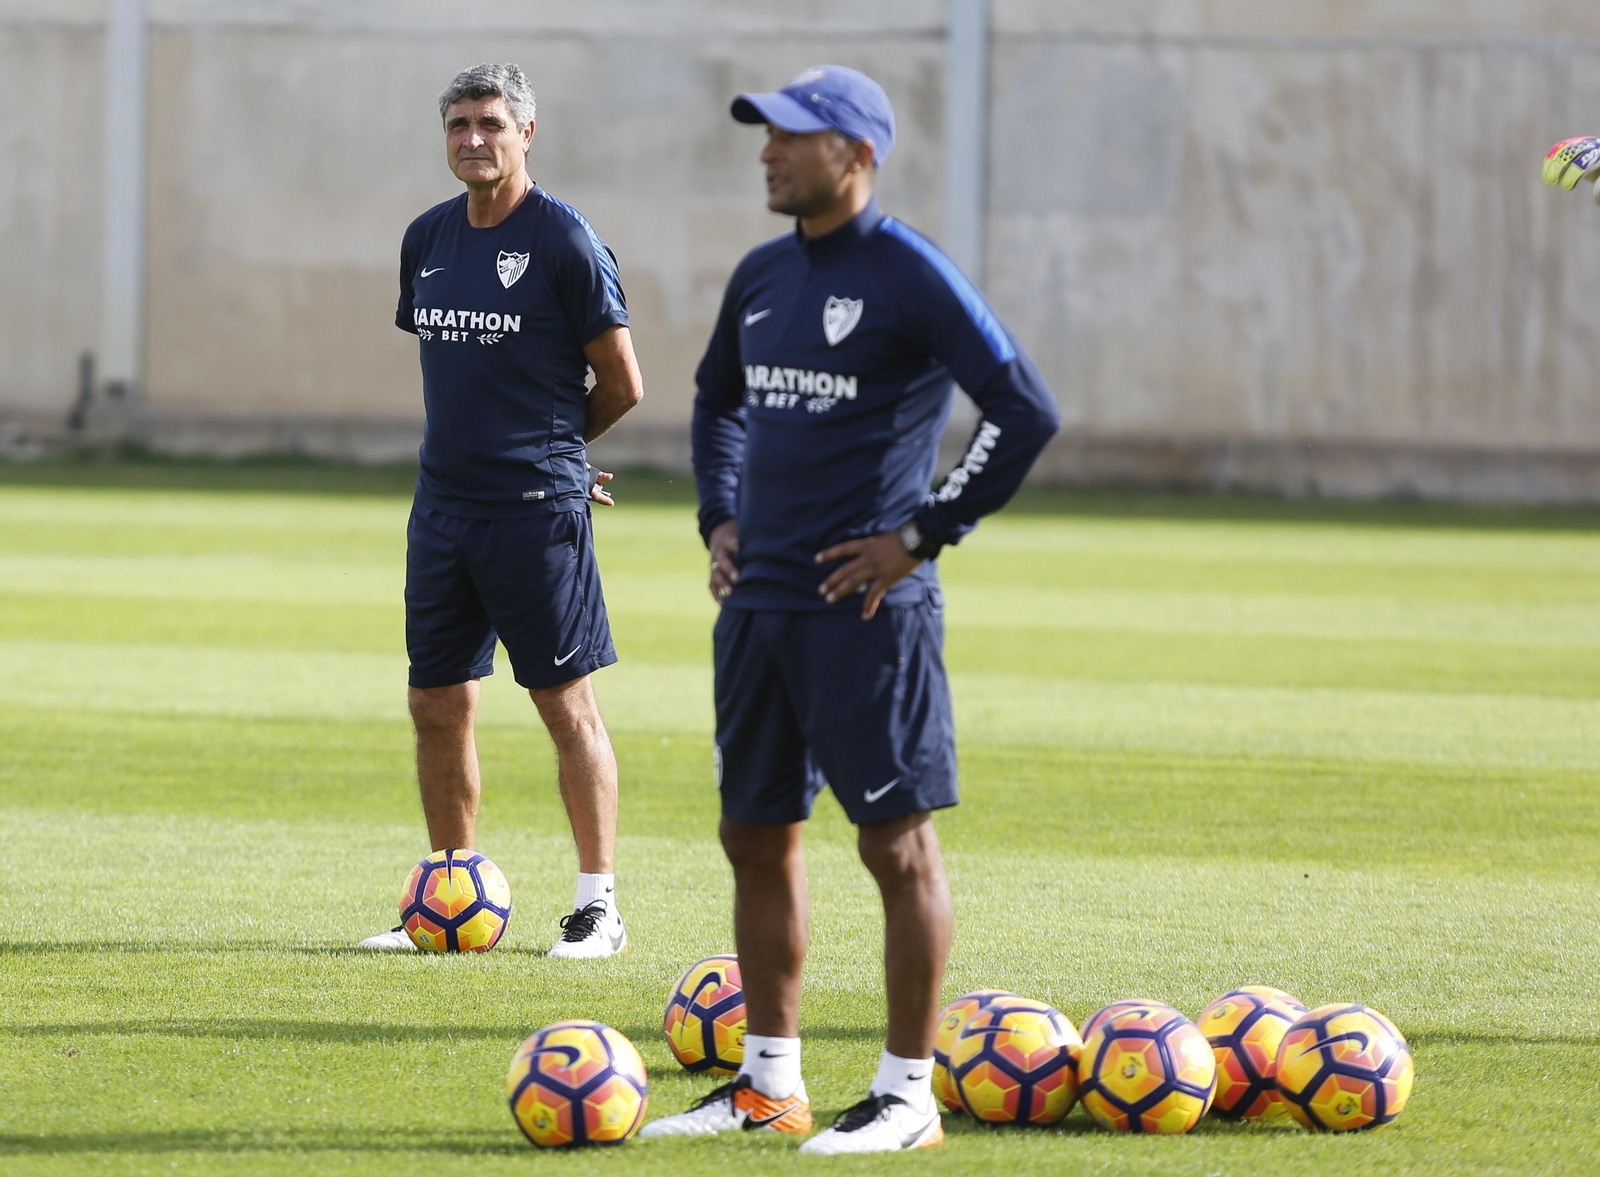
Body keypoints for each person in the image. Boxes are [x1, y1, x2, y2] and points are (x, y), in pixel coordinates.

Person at [639, 66, 1060, 1153]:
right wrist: (717, 519)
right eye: (764, 136)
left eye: (792, 137)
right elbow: (715, 401)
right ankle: (766, 1082)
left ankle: (907, 1095)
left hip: (867, 616)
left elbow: (1024, 411)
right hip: (759, 607)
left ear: (857, 156)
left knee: (894, 847)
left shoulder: (910, 271)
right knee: (753, 833)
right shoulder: (763, 274)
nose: (768, 153)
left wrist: (919, 536)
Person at [359, 63, 643, 959]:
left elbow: (625, 384)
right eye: (457, 125)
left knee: (565, 705)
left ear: (527, 133)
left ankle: (600, 908)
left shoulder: (565, 241)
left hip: (534, 514)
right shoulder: (427, 238)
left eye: (489, 123)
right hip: (442, 509)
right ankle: (449, 892)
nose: (473, 139)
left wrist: (560, 453)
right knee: (436, 702)